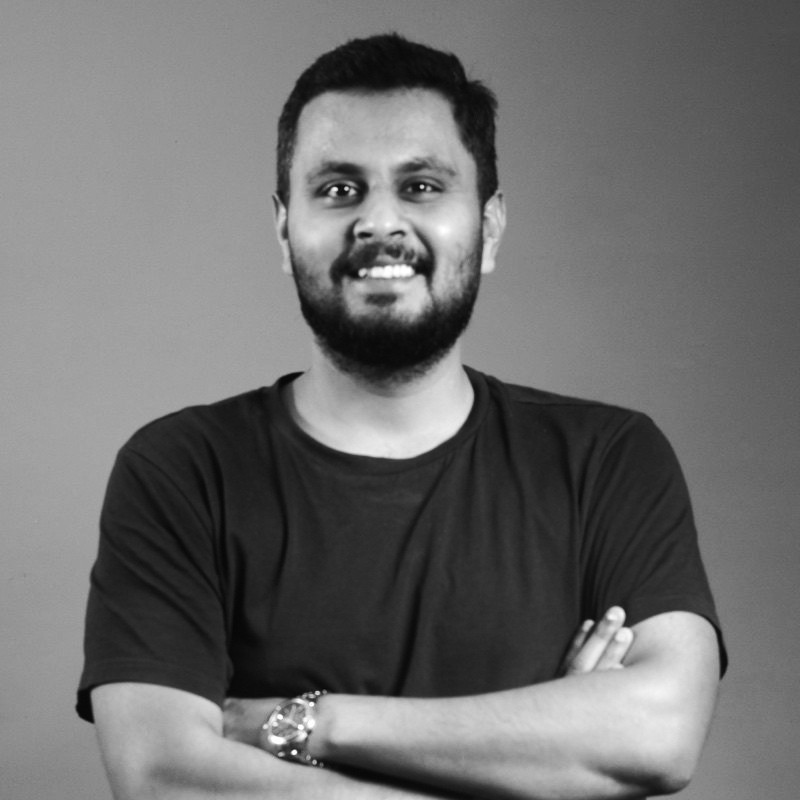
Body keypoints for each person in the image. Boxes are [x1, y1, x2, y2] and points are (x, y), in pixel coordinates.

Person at [77, 33, 725, 800]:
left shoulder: (609, 458)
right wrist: (541, 754)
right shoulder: (182, 470)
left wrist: (300, 723)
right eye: (339, 190)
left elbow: (658, 734)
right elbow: (164, 779)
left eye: (420, 187)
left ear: (489, 228)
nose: (379, 223)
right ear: (285, 231)